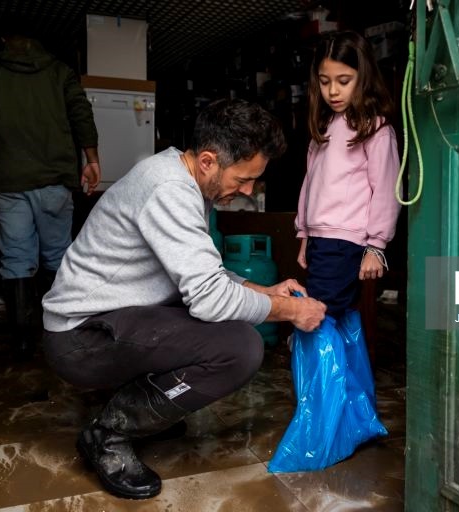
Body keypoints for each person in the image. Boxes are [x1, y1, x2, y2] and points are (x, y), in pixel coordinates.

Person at [41, 99, 327, 500]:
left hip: (111, 318)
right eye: (244, 179)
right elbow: (209, 298)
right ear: (209, 160)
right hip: (79, 338)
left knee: (217, 322)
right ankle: (110, 433)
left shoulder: (183, 176)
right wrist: (292, 310)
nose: (247, 191)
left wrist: (264, 290)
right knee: (239, 347)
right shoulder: (170, 189)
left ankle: (146, 408)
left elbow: (200, 274)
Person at [0, 29, 100, 357]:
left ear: (3, 41)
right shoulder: (59, 72)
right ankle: (57, 333)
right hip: (54, 178)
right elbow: (82, 114)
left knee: (16, 256)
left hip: (7, 181)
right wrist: (92, 159)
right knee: (57, 254)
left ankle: (22, 339)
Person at [295, 30, 401, 317]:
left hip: (346, 242)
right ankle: (338, 362)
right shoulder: (324, 127)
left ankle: (322, 361)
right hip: (320, 240)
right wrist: (305, 236)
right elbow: (311, 184)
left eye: (344, 81)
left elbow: (387, 190)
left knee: (319, 313)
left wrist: (376, 247)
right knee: (327, 312)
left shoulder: (375, 129)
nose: (332, 91)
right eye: (325, 81)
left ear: (363, 77)